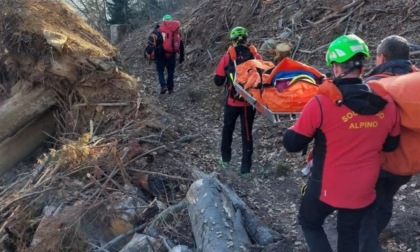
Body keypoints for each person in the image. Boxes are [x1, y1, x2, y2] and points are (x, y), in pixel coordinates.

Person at [282, 34, 401, 252]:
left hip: (326, 187)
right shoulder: (387, 103)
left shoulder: (322, 103)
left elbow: (292, 144)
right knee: (349, 236)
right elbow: (391, 146)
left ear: (336, 67)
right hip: (364, 189)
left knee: (309, 222)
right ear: (362, 67)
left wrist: (291, 129)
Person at [359, 35, 417, 252]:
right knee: (384, 200)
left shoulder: (373, 87)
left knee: (366, 210)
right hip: (408, 164)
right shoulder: (415, 83)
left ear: (381, 57)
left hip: (380, 163)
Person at [214, 26, 262, 180]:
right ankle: (246, 169)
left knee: (228, 130)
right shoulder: (255, 56)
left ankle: (225, 160)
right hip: (249, 103)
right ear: (246, 39)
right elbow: (264, 76)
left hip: (232, 101)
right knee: (247, 134)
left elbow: (218, 81)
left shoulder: (228, 56)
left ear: (233, 41)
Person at [145, 14, 184, 94]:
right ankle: (170, 88)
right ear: (171, 20)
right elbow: (181, 44)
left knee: (160, 71)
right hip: (172, 55)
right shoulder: (176, 31)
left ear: (163, 21)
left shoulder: (158, 30)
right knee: (170, 72)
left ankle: (163, 86)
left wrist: (147, 53)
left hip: (160, 55)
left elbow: (152, 42)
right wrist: (181, 57)